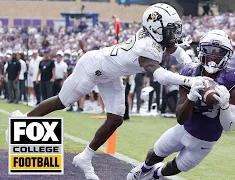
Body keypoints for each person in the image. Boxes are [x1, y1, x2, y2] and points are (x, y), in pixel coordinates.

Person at [5, 3, 207, 180]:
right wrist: (190, 79)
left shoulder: (155, 38)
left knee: (116, 118)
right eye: (170, 29)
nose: (174, 34)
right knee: (62, 102)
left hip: (111, 73)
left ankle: (85, 157)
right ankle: (22, 120)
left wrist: (191, 64)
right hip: (93, 66)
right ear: (155, 28)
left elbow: (177, 50)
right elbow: (161, 76)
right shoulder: (147, 46)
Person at [126, 30, 235, 180]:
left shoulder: (233, 80)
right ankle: (144, 168)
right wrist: (191, 97)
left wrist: (225, 106)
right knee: (156, 153)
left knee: (175, 168)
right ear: (201, 51)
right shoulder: (190, 71)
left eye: (218, 52)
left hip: (207, 139)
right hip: (183, 129)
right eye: (209, 51)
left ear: (227, 55)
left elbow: (229, 127)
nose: (213, 57)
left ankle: (155, 175)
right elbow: (180, 118)